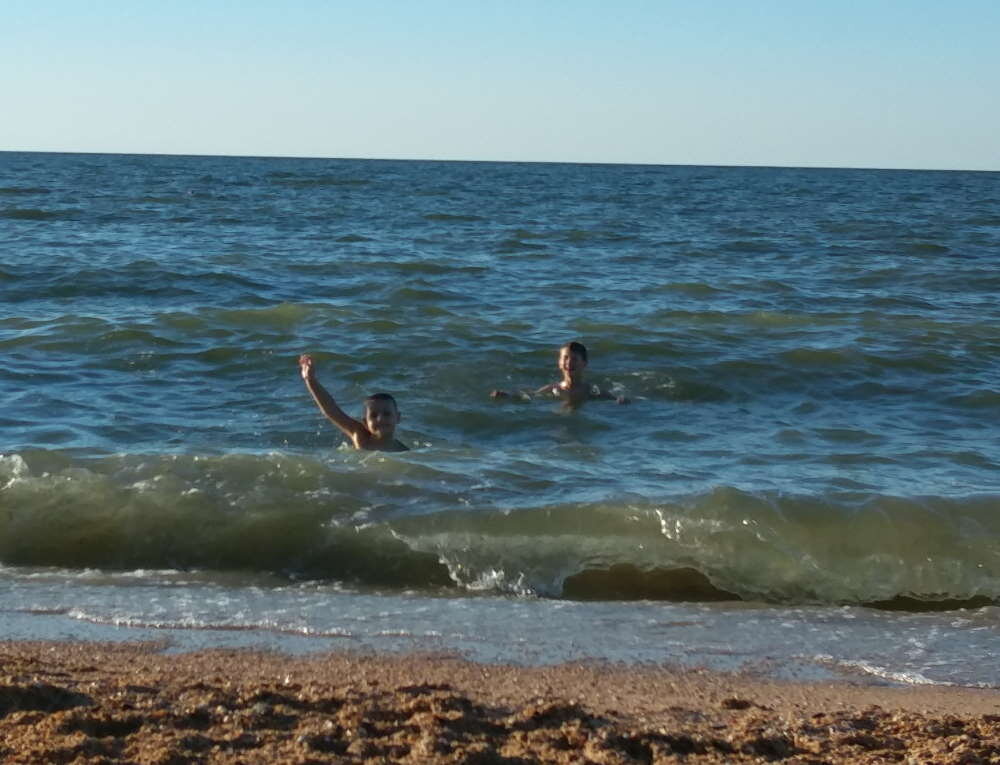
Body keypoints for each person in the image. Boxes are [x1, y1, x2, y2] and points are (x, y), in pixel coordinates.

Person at [299, 354, 408, 451]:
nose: (380, 419)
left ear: (398, 418)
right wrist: (310, 380)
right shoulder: (360, 436)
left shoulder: (403, 451)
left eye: (387, 414)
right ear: (365, 422)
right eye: (374, 415)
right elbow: (331, 410)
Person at [490, 341, 629, 408]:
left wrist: (620, 400)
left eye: (574, 359)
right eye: (565, 358)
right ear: (559, 362)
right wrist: (507, 395)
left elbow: (613, 398)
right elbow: (530, 396)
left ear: (584, 364)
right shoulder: (554, 389)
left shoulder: (591, 390)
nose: (569, 363)